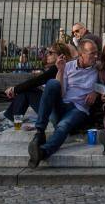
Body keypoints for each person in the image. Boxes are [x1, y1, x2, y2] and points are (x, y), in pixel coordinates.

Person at [28, 39, 99, 168]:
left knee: (63, 125)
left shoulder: (98, 69)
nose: (96, 56)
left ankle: (43, 152)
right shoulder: (67, 66)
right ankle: (39, 132)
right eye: (92, 53)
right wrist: (60, 71)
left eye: (96, 53)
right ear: (81, 54)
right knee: (52, 83)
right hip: (62, 105)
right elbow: (61, 93)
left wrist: (95, 91)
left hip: (79, 109)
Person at [0, 42, 72, 133]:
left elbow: (37, 81)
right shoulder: (62, 67)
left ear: (61, 55)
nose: (47, 54)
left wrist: (15, 89)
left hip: (56, 112)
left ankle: (8, 121)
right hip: (55, 110)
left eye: (50, 53)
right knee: (26, 92)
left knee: (28, 91)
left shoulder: (58, 68)